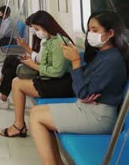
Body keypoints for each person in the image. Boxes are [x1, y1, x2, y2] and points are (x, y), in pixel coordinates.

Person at [29, 11, 128, 164]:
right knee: (34, 112)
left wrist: (75, 61)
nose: (90, 34)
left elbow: (81, 91)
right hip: (88, 107)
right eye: (89, 30)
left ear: (110, 33)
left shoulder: (112, 60)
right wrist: (84, 89)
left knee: (37, 118)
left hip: (99, 117)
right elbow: (83, 88)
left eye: (95, 30)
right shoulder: (102, 54)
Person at [0, 10, 75, 137]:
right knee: (16, 81)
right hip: (52, 79)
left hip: (61, 83)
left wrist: (32, 65)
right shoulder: (48, 40)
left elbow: (57, 72)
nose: (36, 32)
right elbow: (42, 60)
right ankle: (19, 124)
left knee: (17, 83)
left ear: (46, 26)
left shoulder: (59, 42)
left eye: (37, 28)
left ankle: (19, 126)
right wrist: (30, 61)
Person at [0, 13, 43, 109]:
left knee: (11, 66)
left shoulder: (51, 42)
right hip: (36, 64)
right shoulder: (44, 40)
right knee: (10, 59)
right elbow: (39, 58)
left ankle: (2, 92)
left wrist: (30, 61)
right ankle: (2, 90)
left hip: (39, 69)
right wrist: (29, 57)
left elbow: (45, 65)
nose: (34, 31)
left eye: (36, 29)